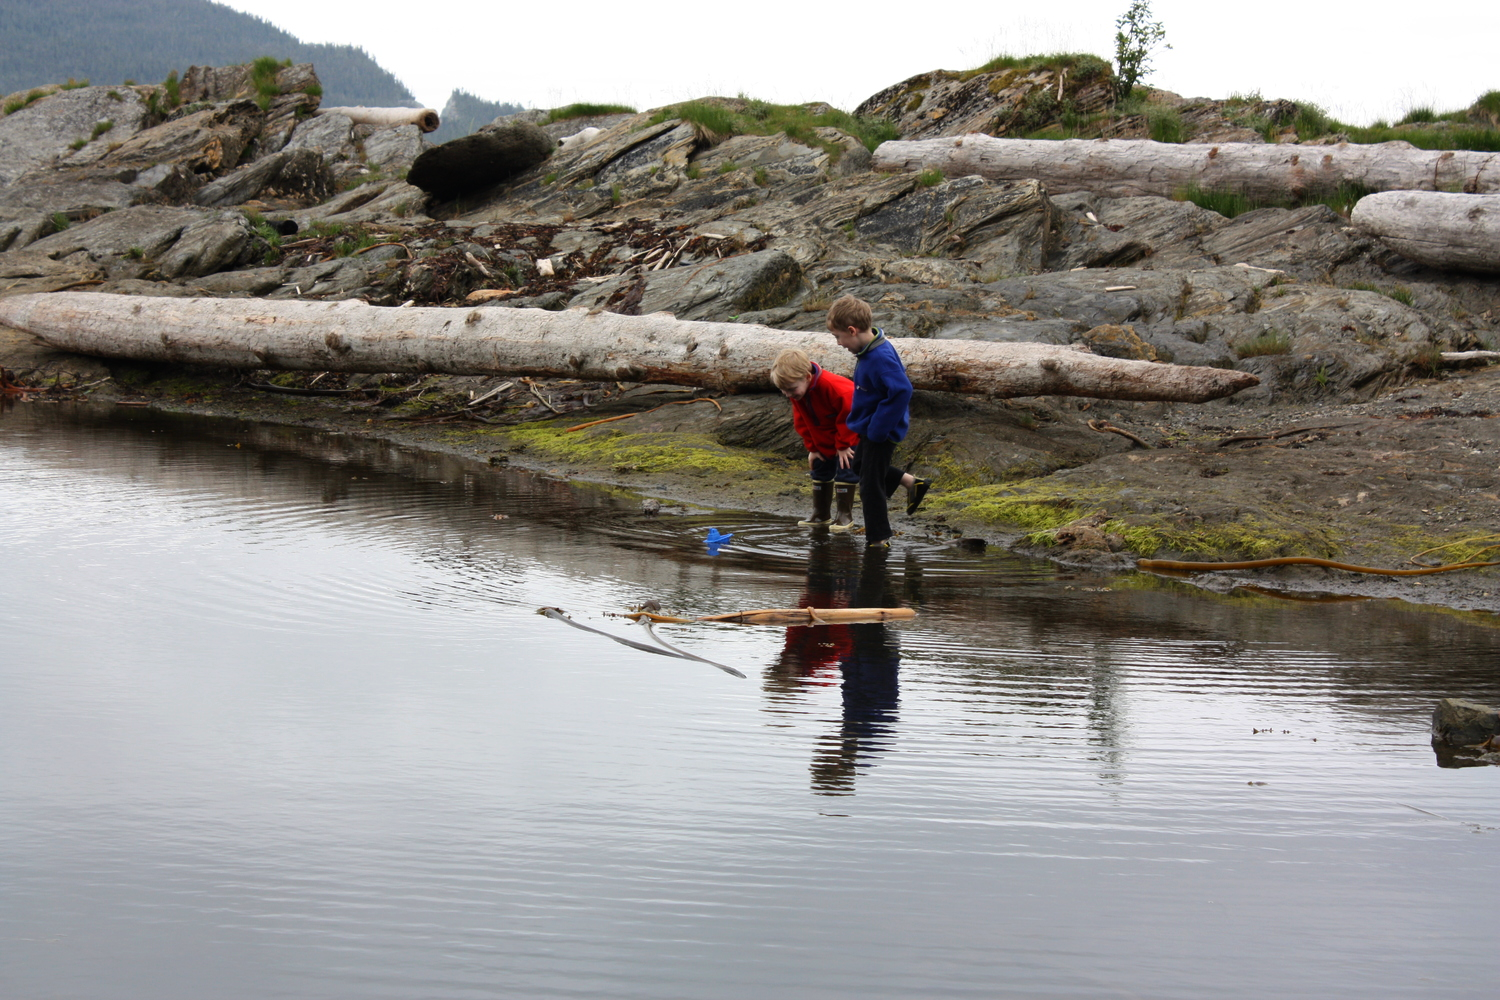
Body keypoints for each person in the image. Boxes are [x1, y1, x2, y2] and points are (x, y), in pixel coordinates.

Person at [826, 295, 931, 548]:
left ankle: (878, 538)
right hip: (870, 426)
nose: (839, 343)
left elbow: (902, 390)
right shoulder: (869, 349)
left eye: (838, 337)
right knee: (859, 466)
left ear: (852, 331)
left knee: (869, 485)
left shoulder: (880, 357)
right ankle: (911, 483)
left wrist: (877, 429)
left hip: (881, 431)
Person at [770, 347, 862, 529]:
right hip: (825, 438)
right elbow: (802, 421)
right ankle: (821, 515)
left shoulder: (835, 388)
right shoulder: (798, 392)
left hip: (851, 436)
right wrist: (812, 448)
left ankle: (844, 516)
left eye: (791, 389)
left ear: (807, 377)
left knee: (845, 469)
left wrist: (844, 445)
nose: (788, 395)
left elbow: (852, 415)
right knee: (819, 467)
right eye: (783, 391)